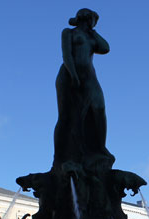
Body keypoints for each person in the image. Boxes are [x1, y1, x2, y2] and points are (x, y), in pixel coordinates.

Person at [54, 8, 114, 171]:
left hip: (89, 78)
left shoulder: (91, 36)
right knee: (66, 116)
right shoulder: (69, 32)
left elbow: (105, 48)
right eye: (94, 20)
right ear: (86, 18)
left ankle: (100, 148)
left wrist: (93, 31)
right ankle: (59, 156)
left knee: (99, 108)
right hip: (68, 75)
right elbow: (66, 55)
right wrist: (73, 75)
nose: (95, 24)